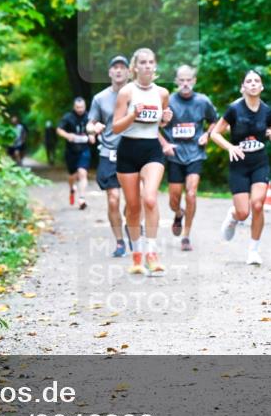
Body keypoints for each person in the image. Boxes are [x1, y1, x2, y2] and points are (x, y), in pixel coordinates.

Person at [208, 70, 271, 266]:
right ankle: (233, 216)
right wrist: (230, 147)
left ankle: (253, 251)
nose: (253, 84)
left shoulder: (268, 111)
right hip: (239, 165)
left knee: (258, 204)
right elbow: (215, 134)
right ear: (243, 87)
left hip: (260, 163)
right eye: (248, 81)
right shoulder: (234, 110)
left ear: (262, 86)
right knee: (243, 213)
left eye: (256, 81)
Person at [112, 48, 173, 275]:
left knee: (149, 198)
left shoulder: (162, 93)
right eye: (143, 63)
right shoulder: (126, 92)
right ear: (134, 67)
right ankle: (136, 256)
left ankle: (152, 252)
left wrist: (166, 120)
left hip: (152, 150)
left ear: (155, 66)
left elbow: (161, 121)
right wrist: (131, 115)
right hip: (128, 149)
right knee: (134, 206)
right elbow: (116, 126)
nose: (147, 66)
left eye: (151, 62)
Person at [159, 64, 218, 251]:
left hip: (195, 154)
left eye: (188, 80)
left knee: (191, 194)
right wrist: (165, 144)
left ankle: (186, 235)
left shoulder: (203, 101)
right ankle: (178, 213)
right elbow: (153, 125)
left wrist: (207, 135)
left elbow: (215, 121)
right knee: (173, 199)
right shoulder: (168, 101)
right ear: (176, 81)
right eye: (181, 80)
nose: (185, 83)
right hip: (175, 155)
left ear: (194, 81)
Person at [88, 55, 131, 257]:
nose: (119, 71)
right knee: (113, 199)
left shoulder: (137, 94)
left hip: (133, 151)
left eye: (123, 67)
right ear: (110, 72)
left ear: (129, 72)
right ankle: (120, 242)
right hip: (108, 153)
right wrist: (93, 127)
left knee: (133, 201)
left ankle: (131, 223)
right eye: (115, 67)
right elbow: (90, 123)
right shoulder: (100, 98)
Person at [57, 98, 94, 209]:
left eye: (81, 107)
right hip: (71, 151)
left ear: (85, 106)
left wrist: (93, 135)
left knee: (82, 172)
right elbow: (59, 130)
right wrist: (68, 136)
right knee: (72, 175)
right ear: (74, 107)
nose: (80, 109)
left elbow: (94, 129)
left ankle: (82, 199)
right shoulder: (68, 117)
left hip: (84, 149)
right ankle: (72, 187)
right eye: (77, 107)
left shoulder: (89, 117)